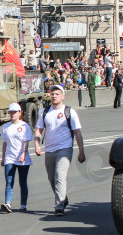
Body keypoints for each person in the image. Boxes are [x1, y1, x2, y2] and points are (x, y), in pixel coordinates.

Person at [34, 85, 86, 216]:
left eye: (57, 93)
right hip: (50, 150)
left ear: (63, 96)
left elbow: (78, 133)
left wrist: (81, 152)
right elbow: (39, 130)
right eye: (52, 93)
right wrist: (37, 145)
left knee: (59, 176)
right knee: (52, 179)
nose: (54, 95)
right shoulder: (45, 112)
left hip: (65, 148)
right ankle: (64, 198)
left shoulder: (69, 111)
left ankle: (59, 206)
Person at [0, 103, 33, 213]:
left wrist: (23, 153)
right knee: (9, 181)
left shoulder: (24, 126)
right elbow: (5, 143)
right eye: (10, 112)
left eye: (14, 112)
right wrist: (3, 158)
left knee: (23, 182)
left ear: (20, 113)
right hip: (10, 157)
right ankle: (8, 203)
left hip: (22, 158)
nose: (12, 114)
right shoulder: (6, 127)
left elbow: (26, 141)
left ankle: (23, 204)